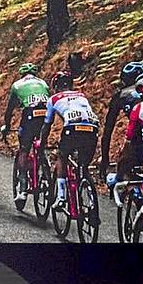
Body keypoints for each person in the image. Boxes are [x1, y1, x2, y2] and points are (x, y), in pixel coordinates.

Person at [40, 71, 100, 209]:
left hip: (72, 128)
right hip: (92, 127)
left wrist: (42, 143)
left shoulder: (53, 99)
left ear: (55, 86)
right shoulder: (81, 95)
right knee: (83, 168)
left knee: (62, 156)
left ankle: (61, 196)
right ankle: (91, 202)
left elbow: (47, 125)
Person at [2, 63, 51, 201]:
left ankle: (23, 188)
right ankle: (44, 167)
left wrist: (6, 125)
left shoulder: (17, 85)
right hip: (45, 113)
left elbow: (10, 109)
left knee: (24, 149)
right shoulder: (43, 83)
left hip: (30, 114)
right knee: (39, 143)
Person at [99, 61, 143, 176]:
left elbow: (108, 130)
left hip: (137, 143)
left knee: (122, 171)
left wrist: (105, 159)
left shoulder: (120, 95)